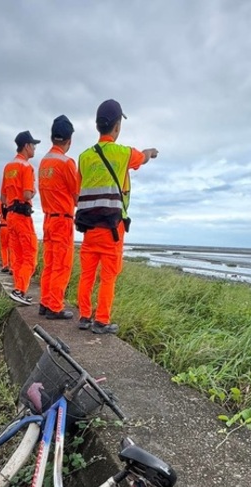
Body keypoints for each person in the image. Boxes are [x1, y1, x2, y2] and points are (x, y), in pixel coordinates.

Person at [76, 99, 158, 335]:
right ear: (117, 126)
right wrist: (150, 152)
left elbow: (79, 190)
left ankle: (84, 316)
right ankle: (101, 320)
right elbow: (141, 157)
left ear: (97, 126)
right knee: (108, 276)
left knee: (87, 274)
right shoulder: (122, 153)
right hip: (112, 228)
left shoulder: (84, 157)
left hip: (89, 228)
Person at [37, 115, 80, 320]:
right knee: (62, 265)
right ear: (69, 140)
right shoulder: (66, 163)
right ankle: (55, 306)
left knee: (50, 263)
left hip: (48, 219)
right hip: (62, 220)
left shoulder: (44, 162)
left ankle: (45, 302)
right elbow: (77, 196)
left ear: (52, 137)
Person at [0, 130, 40, 305]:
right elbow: (27, 194)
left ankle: (18, 290)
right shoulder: (26, 167)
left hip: (10, 217)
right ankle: (19, 290)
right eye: (33, 145)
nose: (35, 149)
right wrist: (34, 190)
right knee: (30, 255)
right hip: (23, 216)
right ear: (26, 146)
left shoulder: (8, 167)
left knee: (17, 256)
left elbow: (2, 198)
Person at [0, 198, 11, 273]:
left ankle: (5, 265)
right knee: (13, 248)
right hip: (13, 227)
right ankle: (13, 267)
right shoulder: (14, 199)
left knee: (4, 247)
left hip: (3, 227)